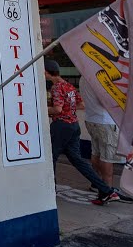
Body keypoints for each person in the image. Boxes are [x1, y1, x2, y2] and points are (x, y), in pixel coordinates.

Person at [44, 59, 121, 206]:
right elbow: (81, 104)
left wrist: (42, 108)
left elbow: (58, 109)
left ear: (47, 72)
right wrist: (69, 110)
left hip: (61, 126)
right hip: (74, 125)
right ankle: (106, 190)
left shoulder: (56, 87)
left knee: (51, 157)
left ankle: (49, 190)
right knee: (78, 160)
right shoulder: (69, 86)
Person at [83, 85, 133, 202]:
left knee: (96, 153)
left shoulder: (84, 78)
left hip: (91, 120)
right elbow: (106, 102)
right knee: (107, 157)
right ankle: (108, 191)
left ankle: (97, 183)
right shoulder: (98, 78)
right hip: (106, 122)